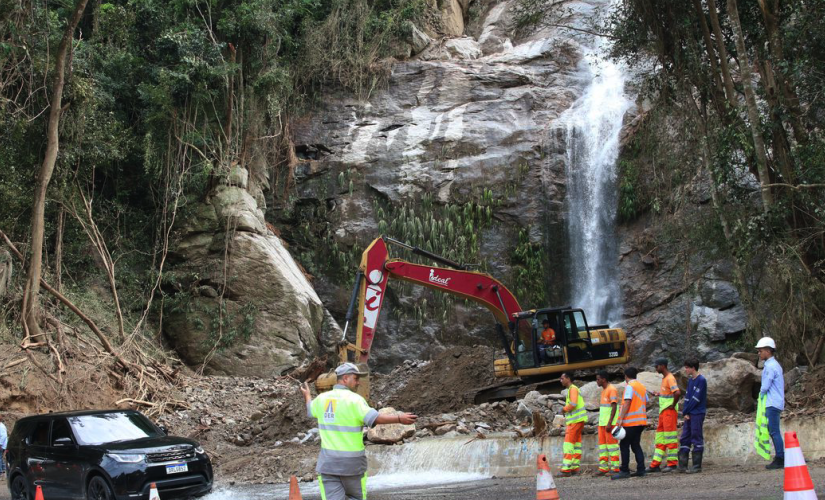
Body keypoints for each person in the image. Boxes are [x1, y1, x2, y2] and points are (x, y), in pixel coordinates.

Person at [300, 363, 418, 500]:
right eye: (355, 378)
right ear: (345, 379)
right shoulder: (355, 400)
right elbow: (375, 418)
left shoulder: (322, 399)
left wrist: (307, 396)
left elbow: (310, 410)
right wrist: (399, 418)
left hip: (328, 466)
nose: (358, 382)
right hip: (353, 466)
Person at [611, 367, 648, 480]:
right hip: (641, 421)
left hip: (631, 422)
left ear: (626, 376)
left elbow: (627, 402)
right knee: (636, 444)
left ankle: (624, 471)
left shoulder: (630, 386)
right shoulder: (641, 387)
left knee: (624, 445)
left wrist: (620, 418)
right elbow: (647, 400)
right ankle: (641, 469)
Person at [646, 358, 681, 473]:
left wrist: (672, 405)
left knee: (670, 438)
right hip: (664, 412)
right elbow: (669, 394)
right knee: (660, 439)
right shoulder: (665, 379)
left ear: (662, 366)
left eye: (656, 366)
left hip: (668, 412)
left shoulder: (670, 378)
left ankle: (672, 464)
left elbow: (677, 393)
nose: (656, 369)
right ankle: (655, 464)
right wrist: (658, 394)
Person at [756, 337, 785, 470]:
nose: (759, 353)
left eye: (760, 351)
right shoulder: (774, 365)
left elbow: (765, 386)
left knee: (774, 431)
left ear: (768, 351)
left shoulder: (770, 366)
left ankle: (780, 458)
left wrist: (760, 395)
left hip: (772, 403)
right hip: (775, 402)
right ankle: (780, 457)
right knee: (774, 430)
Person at [679, 358, 707, 473]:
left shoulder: (701, 380)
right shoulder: (690, 380)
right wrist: (685, 413)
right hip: (689, 413)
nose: (685, 370)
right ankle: (682, 465)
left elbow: (696, 399)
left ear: (693, 368)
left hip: (697, 413)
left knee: (696, 436)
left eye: (687, 367)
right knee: (685, 436)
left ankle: (696, 466)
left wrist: (686, 411)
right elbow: (687, 397)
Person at [559, 371, 587, 476]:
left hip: (575, 421)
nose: (560, 380)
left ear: (568, 379)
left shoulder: (573, 389)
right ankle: (575, 468)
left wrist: (563, 409)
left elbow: (573, 404)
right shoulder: (572, 389)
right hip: (578, 421)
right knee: (576, 444)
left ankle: (566, 469)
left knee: (568, 444)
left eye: (562, 378)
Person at [595, 370, 620, 476]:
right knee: (603, 447)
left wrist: (610, 422)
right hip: (603, 424)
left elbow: (614, 406)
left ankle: (615, 469)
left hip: (610, 424)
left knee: (612, 446)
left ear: (604, 379)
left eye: (598, 379)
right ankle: (603, 468)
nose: (597, 381)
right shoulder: (604, 390)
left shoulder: (611, 389)